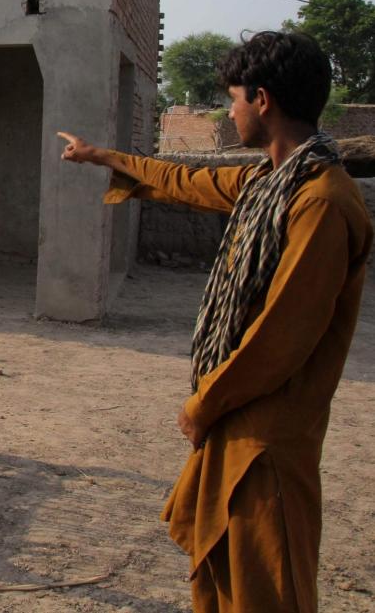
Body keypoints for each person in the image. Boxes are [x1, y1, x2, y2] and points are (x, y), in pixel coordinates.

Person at [57, 31, 371, 612]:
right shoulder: (267, 185)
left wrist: (202, 405)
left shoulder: (321, 201)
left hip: (268, 438)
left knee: (267, 586)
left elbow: (283, 335)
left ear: (263, 100)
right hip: (239, 420)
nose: (230, 112)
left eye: (233, 100)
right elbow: (185, 180)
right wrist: (101, 156)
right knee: (221, 573)